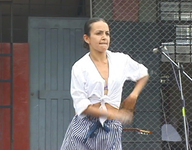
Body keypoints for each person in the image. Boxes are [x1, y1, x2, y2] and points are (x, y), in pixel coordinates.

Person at [60, 17, 149, 150]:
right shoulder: (79, 67)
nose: (104, 37)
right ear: (87, 38)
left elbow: (143, 74)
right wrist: (115, 114)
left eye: (107, 33)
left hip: (111, 128)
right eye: (98, 33)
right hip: (84, 127)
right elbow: (82, 106)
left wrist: (133, 96)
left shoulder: (121, 60)